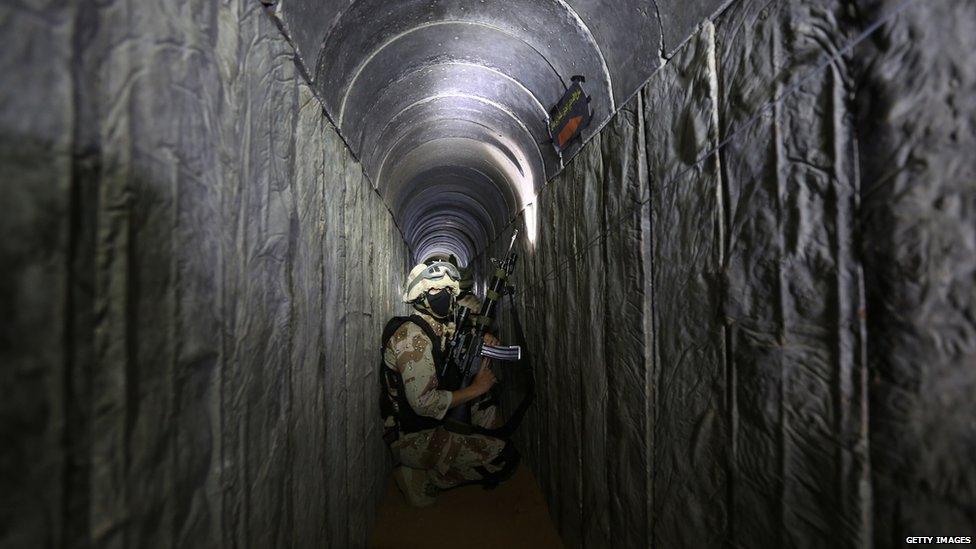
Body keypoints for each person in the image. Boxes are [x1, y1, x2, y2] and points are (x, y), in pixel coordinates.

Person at [381, 261, 520, 507]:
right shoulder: (413, 338)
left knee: (486, 408)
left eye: (447, 290)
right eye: (435, 291)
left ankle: (445, 457)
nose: (443, 295)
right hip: (412, 436)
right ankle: (426, 478)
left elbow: (453, 344)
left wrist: (481, 341)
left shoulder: (434, 327)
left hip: (427, 423)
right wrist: (476, 388)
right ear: (421, 296)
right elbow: (425, 404)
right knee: (504, 457)